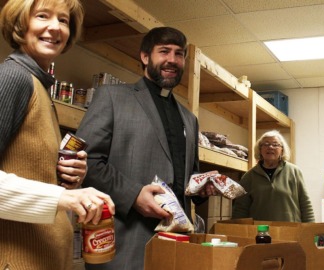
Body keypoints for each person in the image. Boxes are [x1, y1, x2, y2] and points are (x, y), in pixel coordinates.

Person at [76, 26, 214, 270]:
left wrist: (202, 187)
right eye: (164, 51)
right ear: (145, 56)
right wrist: (134, 195)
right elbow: (86, 162)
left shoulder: (189, 119)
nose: (172, 60)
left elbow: (187, 182)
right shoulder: (112, 97)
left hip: (174, 247)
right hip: (123, 246)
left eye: (179, 54)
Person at [0, 0, 115, 269]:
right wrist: (64, 198)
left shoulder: (39, 86)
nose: (55, 27)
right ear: (20, 23)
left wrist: (67, 179)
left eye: (63, 20)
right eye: (42, 16)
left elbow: (25, 169)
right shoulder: (12, 78)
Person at [232, 130, 315, 223]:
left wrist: (310, 229)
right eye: (266, 144)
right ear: (260, 149)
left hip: (291, 232)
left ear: (282, 150)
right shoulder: (249, 176)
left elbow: (306, 205)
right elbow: (240, 210)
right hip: (261, 233)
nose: (270, 147)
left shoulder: (294, 172)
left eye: (275, 144)